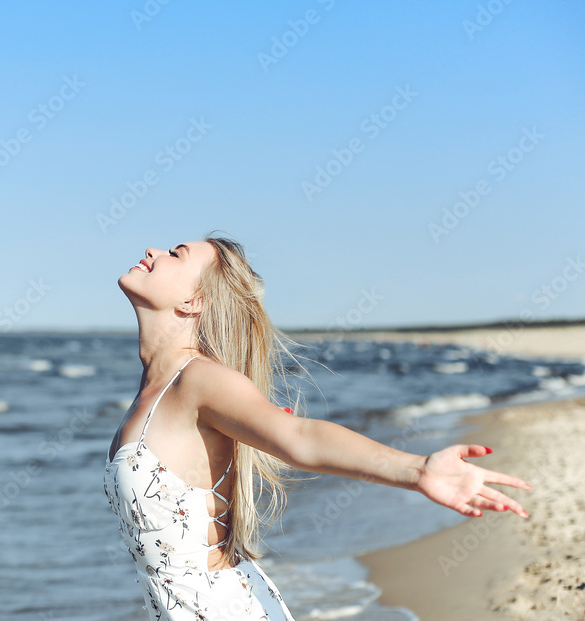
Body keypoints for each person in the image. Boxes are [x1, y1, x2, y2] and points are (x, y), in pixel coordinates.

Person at [102, 234, 532, 620]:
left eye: (176, 254)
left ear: (194, 302)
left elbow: (299, 437)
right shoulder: (151, 391)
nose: (151, 250)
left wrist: (418, 470)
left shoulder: (198, 381)